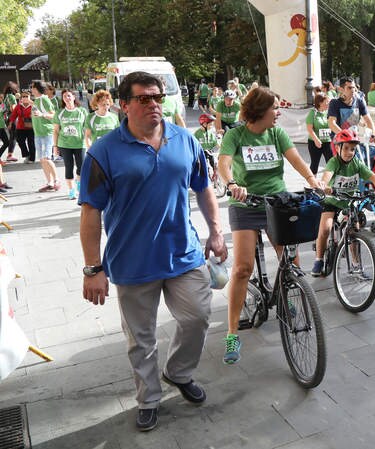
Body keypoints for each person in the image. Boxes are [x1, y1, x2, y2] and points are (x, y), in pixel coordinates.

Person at [79, 71, 228, 431]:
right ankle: (148, 399)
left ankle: (178, 372)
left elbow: (204, 187)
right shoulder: (103, 152)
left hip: (184, 252)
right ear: (124, 104)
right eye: (144, 98)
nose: (154, 104)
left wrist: (216, 232)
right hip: (132, 261)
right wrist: (92, 268)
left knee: (197, 317)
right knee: (141, 338)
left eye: (158, 97)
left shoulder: (184, 140)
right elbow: (90, 212)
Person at [218, 86, 322, 365]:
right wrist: (232, 183)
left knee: (291, 260)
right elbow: (224, 163)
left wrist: (314, 181)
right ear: (260, 110)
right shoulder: (236, 135)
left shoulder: (277, 134)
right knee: (242, 269)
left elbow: (297, 160)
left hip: (276, 202)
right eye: (275, 108)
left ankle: (287, 290)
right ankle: (231, 334)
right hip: (245, 204)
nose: (278, 113)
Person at [311, 129, 375, 276]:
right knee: (325, 228)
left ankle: (356, 263)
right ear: (337, 148)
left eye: (353, 149)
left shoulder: (356, 164)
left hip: (348, 202)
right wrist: (325, 186)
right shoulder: (334, 162)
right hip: (332, 201)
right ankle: (318, 259)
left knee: (354, 230)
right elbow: (326, 177)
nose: (349, 152)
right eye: (346, 148)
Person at [53, 89, 90, 200]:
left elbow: (87, 129)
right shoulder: (59, 113)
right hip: (65, 144)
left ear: (74, 97)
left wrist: (89, 143)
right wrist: (55, 146)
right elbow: (55, 131)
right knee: (68, 167)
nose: (67, 98)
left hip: (80, 143)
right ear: (63, 99)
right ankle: (71, 190)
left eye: (69, 96)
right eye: (64, 96)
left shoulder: (82, 111)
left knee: (81, 168)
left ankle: (78, 185)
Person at [305, 93, 333, 174]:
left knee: (331, 162)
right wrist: (316, 139)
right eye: (326, 101)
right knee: (315, 163)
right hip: (314, 142)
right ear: (320, 103)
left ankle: (331, 182)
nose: (328, 103)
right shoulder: (312, 113)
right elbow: (309, 128)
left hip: (327, 141)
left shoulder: (328, 112)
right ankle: (312, 183)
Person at [8, 91, 34, 168]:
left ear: (30, 97)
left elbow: (38, 113)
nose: (25, 98)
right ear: (21, 98)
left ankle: (32, 158)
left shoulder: (33, 105)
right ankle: (26, 154)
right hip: (20, 127)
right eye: (23, 96)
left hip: (31, 127)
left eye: (27, 96)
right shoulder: (18, 106)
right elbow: (13, 115)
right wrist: (10, 123)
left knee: (31, 143)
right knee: (20, 141)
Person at [1, 82, 18, 162]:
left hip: (6, 118)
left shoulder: (5, 97)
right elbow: (13, 109)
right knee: (13, 136)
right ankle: (10, 155)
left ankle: (10, 154)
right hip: (12, 118)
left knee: (11, 136)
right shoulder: (11, 96)